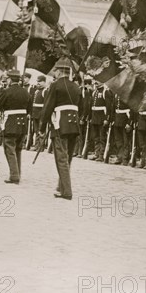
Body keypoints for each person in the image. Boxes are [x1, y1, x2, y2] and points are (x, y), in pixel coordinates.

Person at [38, 59, 81, 200]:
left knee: (61, 159)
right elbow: (82, 107)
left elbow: (47, 107)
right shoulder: (76, 87)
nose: (54, 73)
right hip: (74, 124)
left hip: (60, 125)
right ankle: (60, 187)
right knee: (67, 158)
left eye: (55, 71)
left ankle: (67, 191)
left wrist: (42, 128)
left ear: (60, 71)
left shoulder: (55, 85)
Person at [0, 69, 31, 184]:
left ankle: (14, 175)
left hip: (10, 122)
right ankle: (17, 173)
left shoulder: (6, 92)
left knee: (9, 148)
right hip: (22, 124)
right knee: (18, 149)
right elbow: (29, 109)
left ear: (10, 80)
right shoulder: (26, 92)